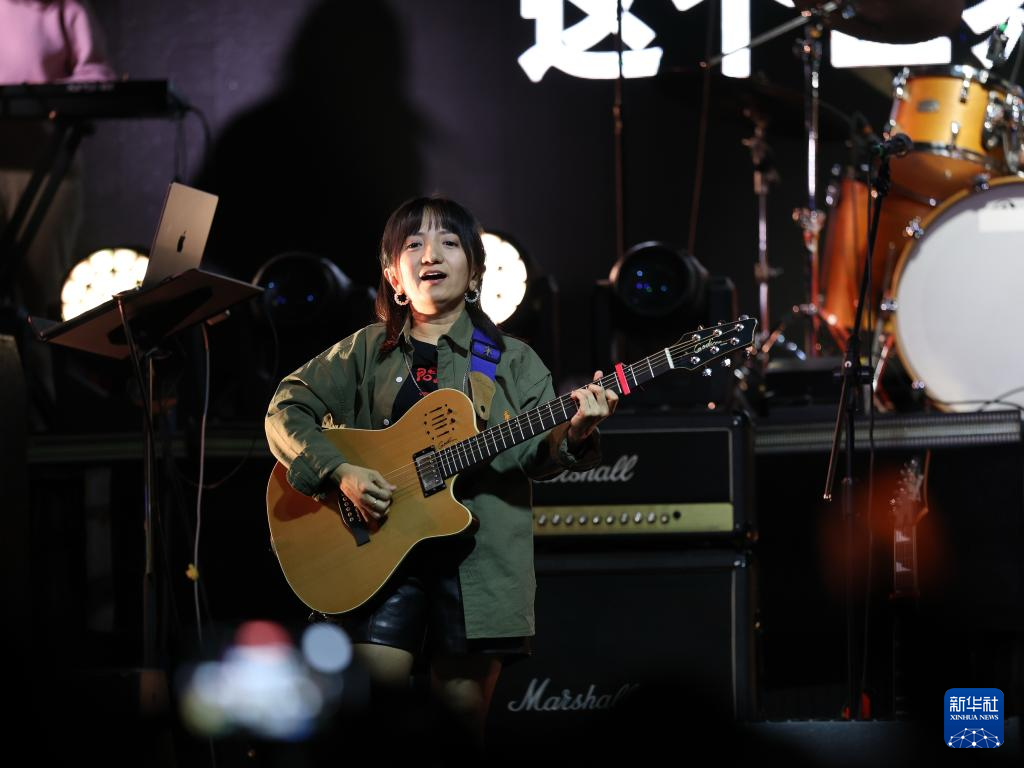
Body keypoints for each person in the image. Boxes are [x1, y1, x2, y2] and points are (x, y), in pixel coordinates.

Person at [264, 196, 618, 747]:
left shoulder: (513, 361)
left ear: (474, 273)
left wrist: (574, 433)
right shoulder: (364, 351)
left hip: (477, 565)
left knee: (460, 728)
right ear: (394, 277)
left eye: (449, 243)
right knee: (370, 724)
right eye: (414, 244)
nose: (431, 254)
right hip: (375, 557)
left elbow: (535, 456)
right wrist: (341, 472)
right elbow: (285, 409)